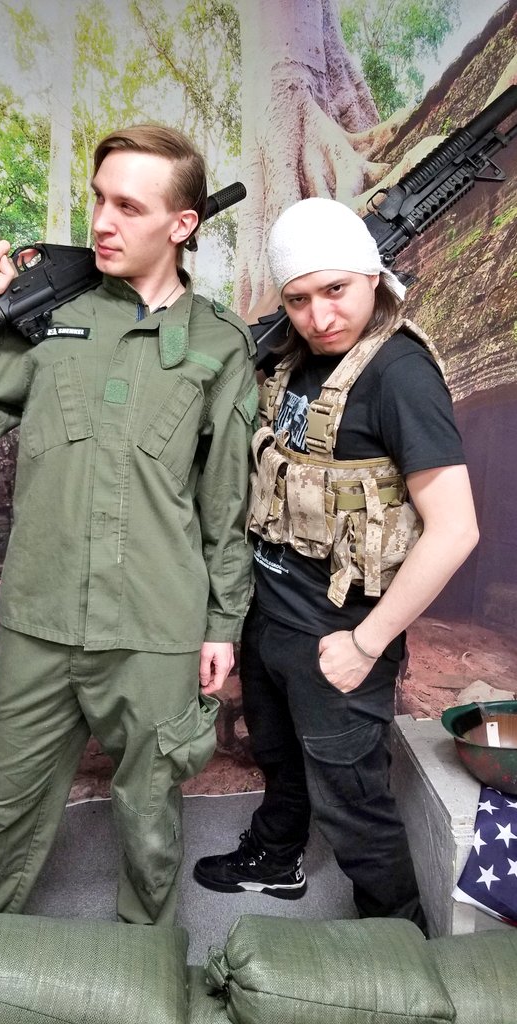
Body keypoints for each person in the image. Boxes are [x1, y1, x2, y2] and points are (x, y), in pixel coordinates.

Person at [0, 124, 258, 935]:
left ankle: (145, 960)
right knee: (0, 803)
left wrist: (221, 624)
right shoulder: (50, 321)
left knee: (150, 813)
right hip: (41, 615)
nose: (101, 221)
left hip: (156, 623)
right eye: (98, 198)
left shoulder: (218, 344)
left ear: (182, 224)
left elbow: (224, 500)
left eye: (128, 206)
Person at [193, 196, 479, 930]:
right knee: (280, 757)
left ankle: (397, 939)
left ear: (372, 277)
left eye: (336, 290)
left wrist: (366, 643)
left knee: (353, 804)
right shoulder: (290, 357)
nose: (319, 317)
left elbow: (454, 529)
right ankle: (277, 857)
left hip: (339, 635)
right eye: (298, 299)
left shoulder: (398, 373)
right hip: (271, 614)